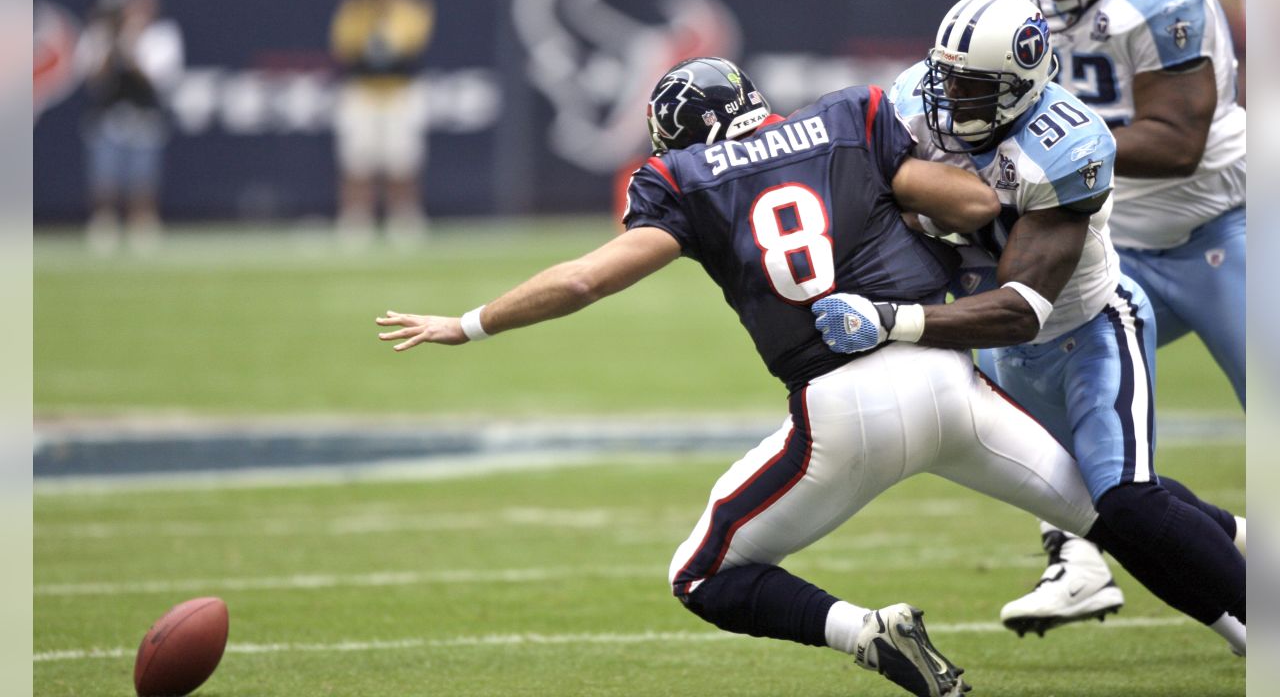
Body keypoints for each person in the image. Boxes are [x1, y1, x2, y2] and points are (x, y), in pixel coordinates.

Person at [378, 56, 1214, 697]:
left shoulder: (678, 178)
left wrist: (470, 323)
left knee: (699, 575)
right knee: (1134, 520)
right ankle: (1257, 617)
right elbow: (974, 207)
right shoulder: (851, 118)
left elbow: (587, 278)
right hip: (951, 383)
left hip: (841, 411)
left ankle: (864, 632)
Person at [810, 0, 1244, 654]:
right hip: (1006, 356)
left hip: (1091, 333)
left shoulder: (1069, 146)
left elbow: (1019, 308)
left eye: (973, 87)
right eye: (945, 78)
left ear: (1019, 88)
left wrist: (890, 319)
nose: (950, 99)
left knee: (1126, 504)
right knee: (1108, 510)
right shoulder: (908, 105)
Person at [991, 0, 1247, 635]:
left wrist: (1046, 156)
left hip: (1226, 231)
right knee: (1021, 369)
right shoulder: (1021, 12)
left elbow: (1176, 140)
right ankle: (1078, 558)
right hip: (1117, 247)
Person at [77, 0, 183, 255]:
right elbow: (94, 79)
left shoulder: (160, 35)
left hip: (143, 117)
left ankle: (142, 226)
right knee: (104, 177)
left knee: (143, 179)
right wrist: (111, 42)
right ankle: (104, 226)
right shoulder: (99, 34)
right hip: (109, 118)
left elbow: (156, 79)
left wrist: (131, 44)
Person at [331, 0, 435, 247]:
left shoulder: (412, 9)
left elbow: (405, 45)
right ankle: (356, 220)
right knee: (358, 160)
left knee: (401, 160)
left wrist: (387, 12)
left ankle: (404, 219)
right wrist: (370, 8)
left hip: (399, 91)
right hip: (363, 91)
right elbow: (345, 46)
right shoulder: (355, 10)